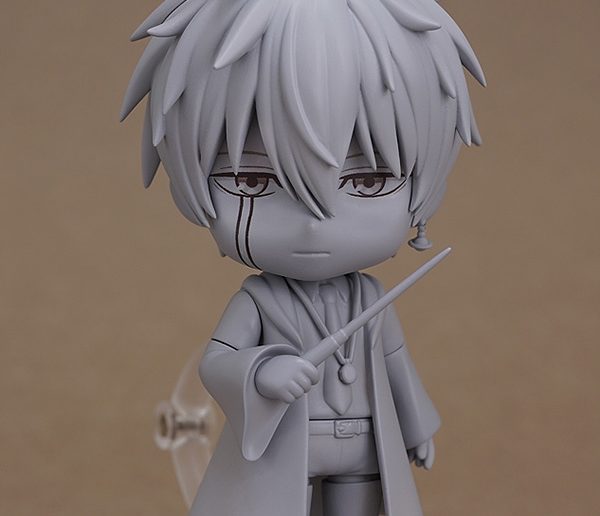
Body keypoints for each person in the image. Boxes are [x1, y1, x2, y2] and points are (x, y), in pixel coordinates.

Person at [122, 0, 485, 514]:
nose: (315, 222)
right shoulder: (258, 300)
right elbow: (217, 363)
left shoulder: (371, 297)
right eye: (252, 180)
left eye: (368, 182)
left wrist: (416, 426)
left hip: (364, 450)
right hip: (285, 450)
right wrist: (262, 373)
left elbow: (396, 365)